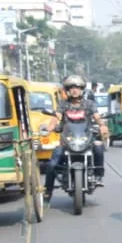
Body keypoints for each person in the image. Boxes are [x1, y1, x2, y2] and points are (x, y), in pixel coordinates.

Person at [44, 74, 107, 203]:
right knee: (52, 164)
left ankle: (98, 175)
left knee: (99, 147)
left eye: (77, 87)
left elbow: (97, 117)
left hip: (86, 139)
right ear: (67, 90)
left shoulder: (89, 104)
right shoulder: (63, 104)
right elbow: (56, 117)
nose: (74, 90)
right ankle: (48, 190)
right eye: (71, 88)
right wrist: (49, 127)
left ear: (82, 89)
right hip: (67, 141)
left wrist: (102, 126)